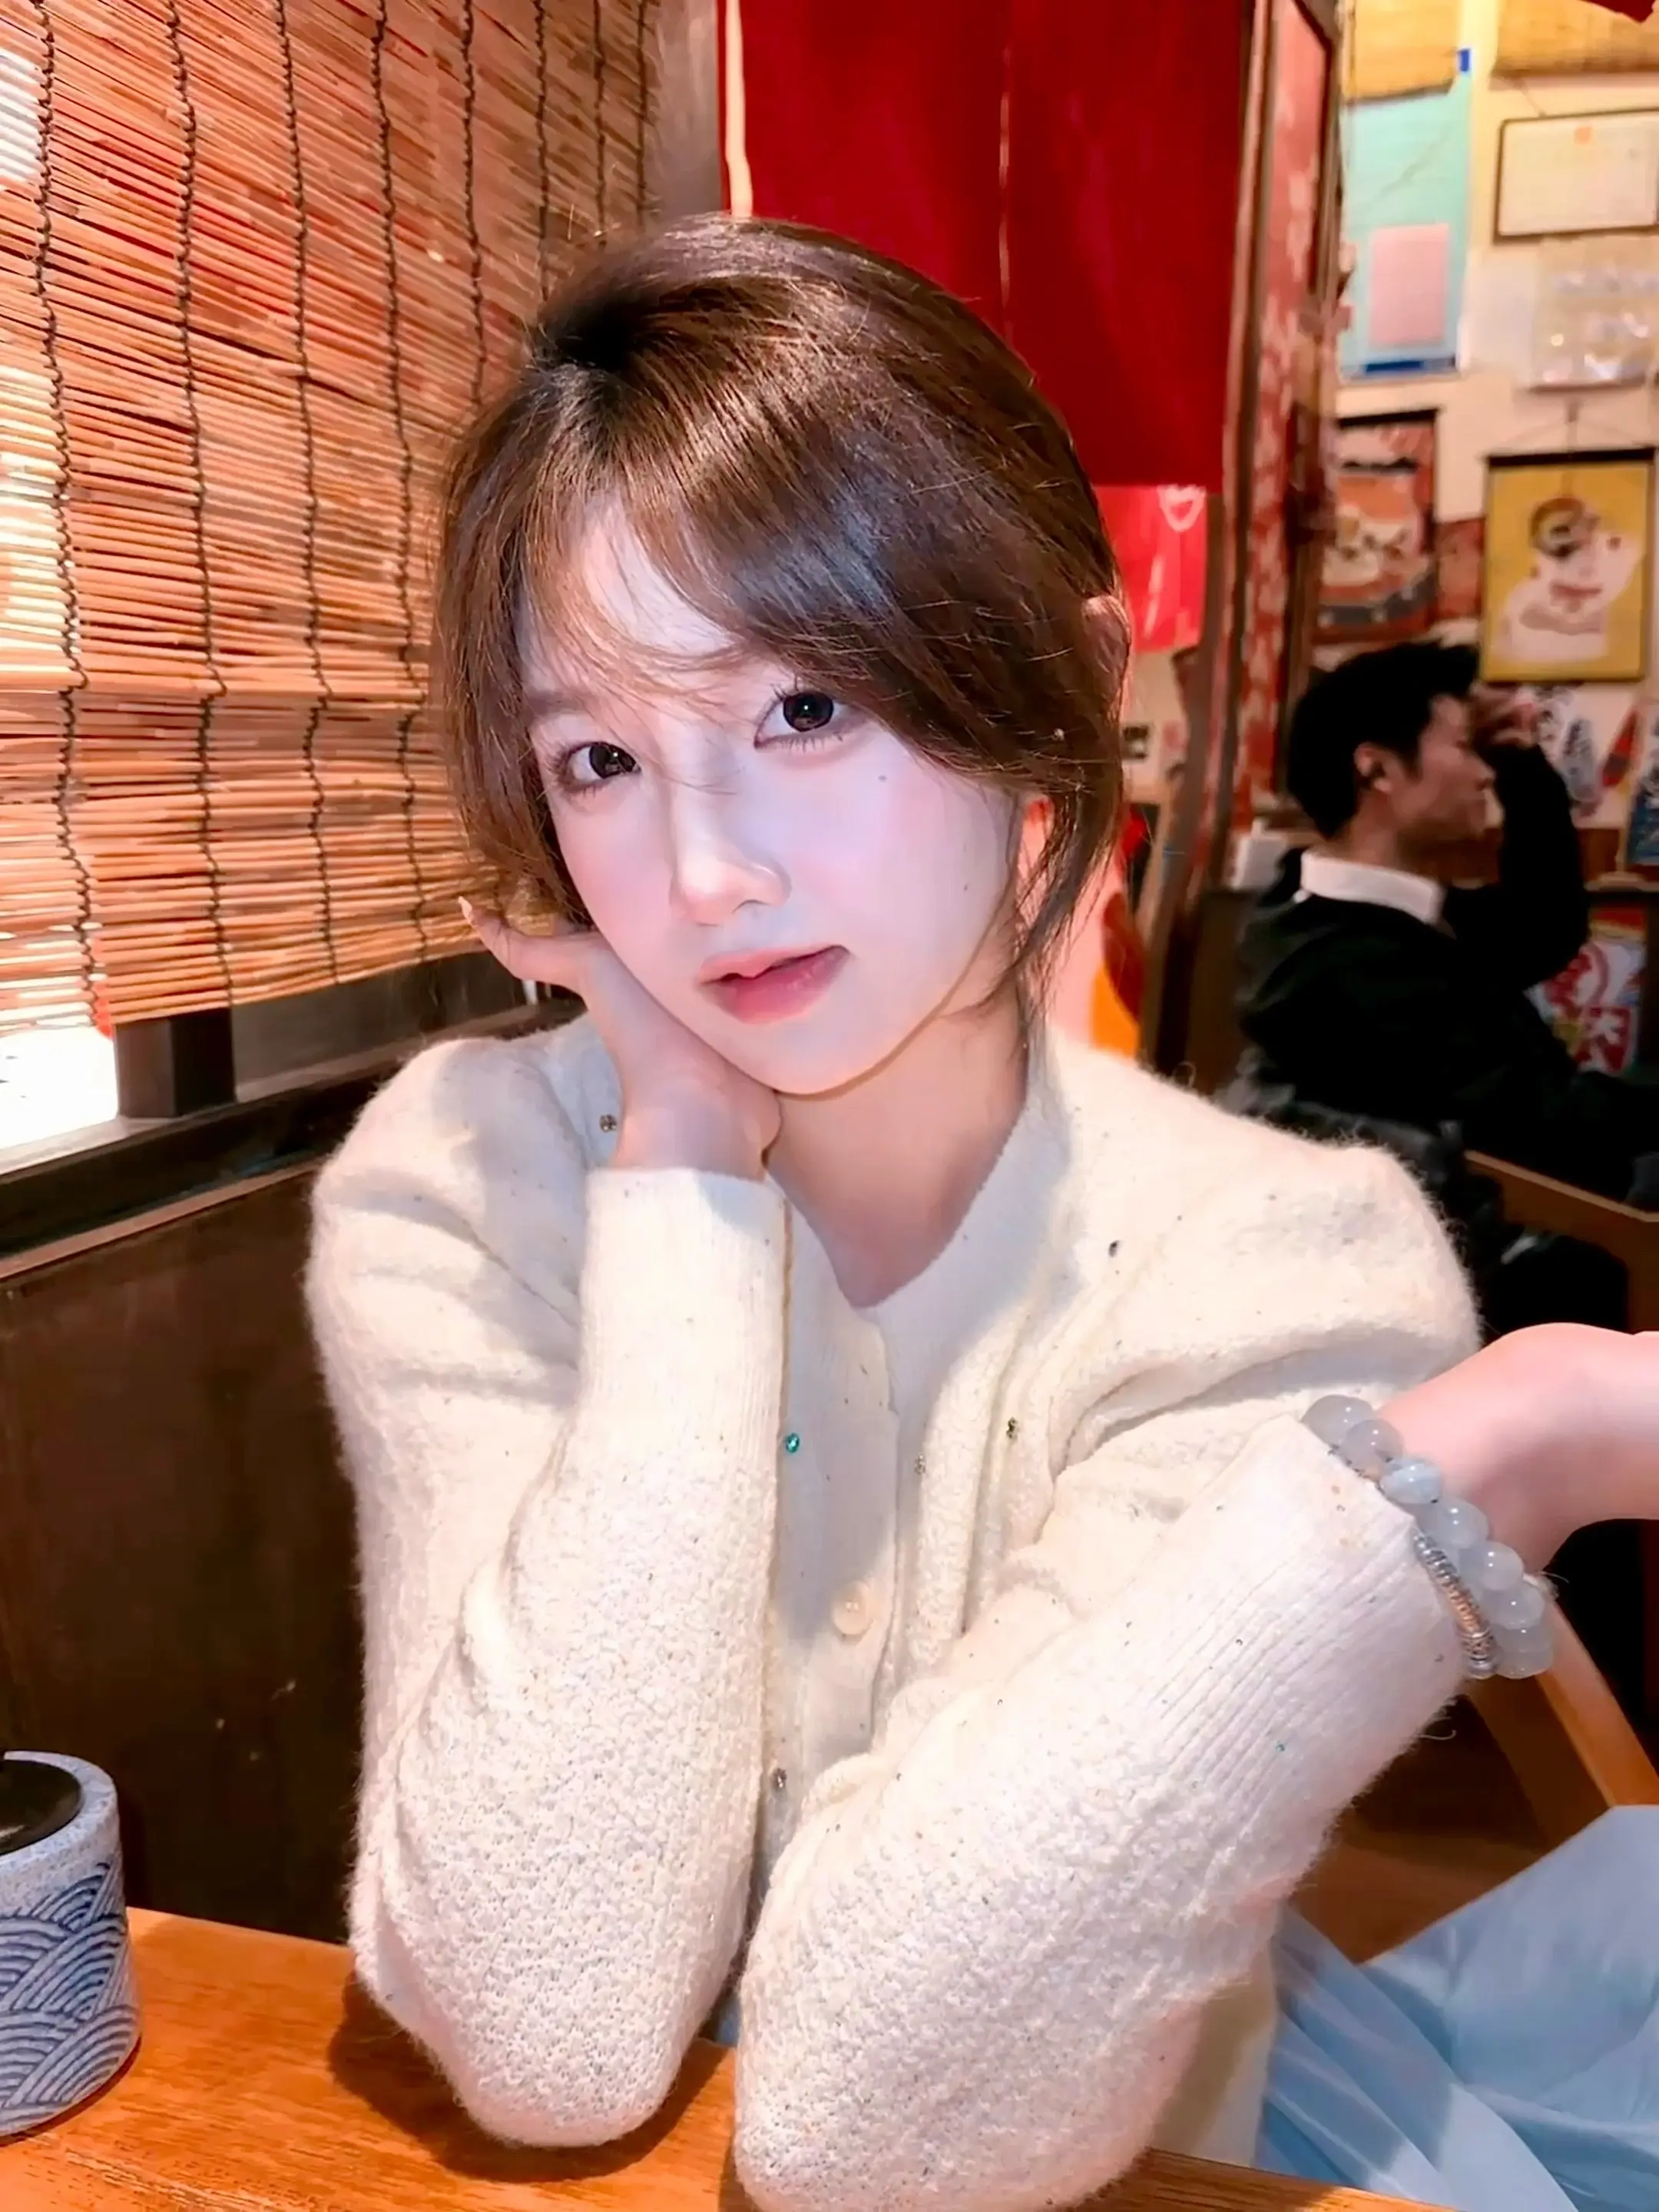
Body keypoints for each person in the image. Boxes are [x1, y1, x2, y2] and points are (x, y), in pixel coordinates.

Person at [308, 218, 1659, 2212]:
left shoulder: (1277, 1260)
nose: (704, 876)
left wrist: (1489, 1455)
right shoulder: (462, 1188)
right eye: (598, 756)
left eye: (803, 711)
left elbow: (875, 2130)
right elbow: (545, 2028)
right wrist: (680, 1160)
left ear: (1060, 693)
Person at [1235, 640, 1659, 1205]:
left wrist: (1520, 765)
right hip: (1525, 1227)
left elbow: (1544, 929)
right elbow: (1548, 1122)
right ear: (1377, 769)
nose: (1484, 774)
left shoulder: (1347, 912)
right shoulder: (1350, 966)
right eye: (1465, 747)